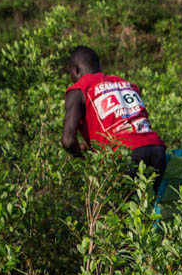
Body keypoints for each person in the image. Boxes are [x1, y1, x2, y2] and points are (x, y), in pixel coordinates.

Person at [62, 46, 167, 184]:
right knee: (149, 202)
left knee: (117, 204)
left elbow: (68, 141)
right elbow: (123, 121)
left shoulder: (80, 88)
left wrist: (82, 159)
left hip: (125, 155)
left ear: (76, 70)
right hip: (156, 149)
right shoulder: (125, 84)